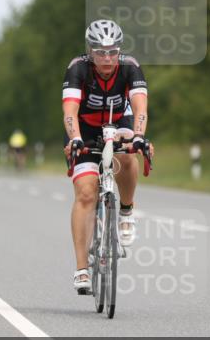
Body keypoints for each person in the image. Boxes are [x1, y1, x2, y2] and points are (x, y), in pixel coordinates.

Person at [62, 19, 152, 295]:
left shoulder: (130, 67)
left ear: (119, 51)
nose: (107, 58)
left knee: (128, 156)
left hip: (118, 121)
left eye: (112, 51)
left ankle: (125, 211)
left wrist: (138, 136)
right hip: (85, 128)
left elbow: (139, 108)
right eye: (100, 52)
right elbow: (70, 111)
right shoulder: (78, 68)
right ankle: (81, 270)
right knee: (87, 193)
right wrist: (75, 138)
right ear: (90, 51)